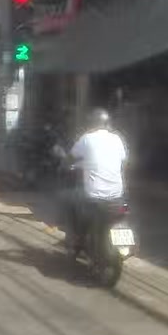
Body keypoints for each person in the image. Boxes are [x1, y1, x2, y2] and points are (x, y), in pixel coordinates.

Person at [54, 107, 128, 254]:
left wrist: (64, 163)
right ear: (107, 124)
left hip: (94, 197)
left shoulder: (86, 139)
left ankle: (76, 238)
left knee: (67, 198)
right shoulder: (117, 139)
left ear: (92, 124)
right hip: (117, 196)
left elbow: (69, 160)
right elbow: (122, 162)